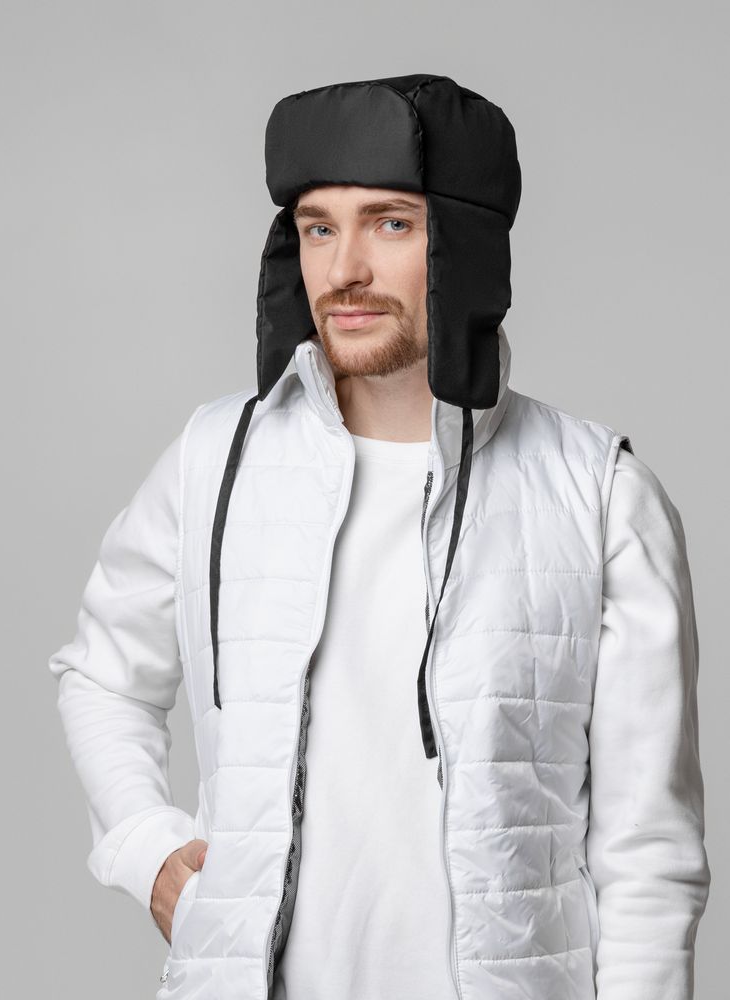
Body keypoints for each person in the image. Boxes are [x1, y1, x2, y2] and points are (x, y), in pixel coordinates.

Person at [48, 74, 710, 1000]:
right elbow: (102, 674)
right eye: (318, 228)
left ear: (465, 243)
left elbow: (649, 855)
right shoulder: (214, 459)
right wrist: (145, 848)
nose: (344, 269)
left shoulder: (600, 495)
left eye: (390, 223)